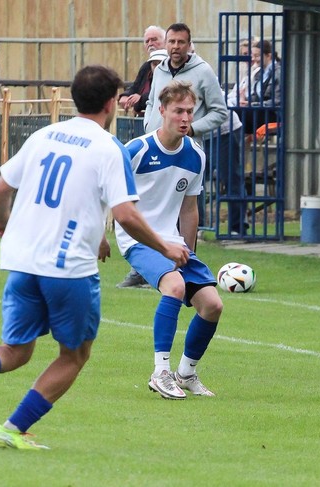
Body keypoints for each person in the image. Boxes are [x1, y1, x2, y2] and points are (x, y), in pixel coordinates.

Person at [0, 65, 189, 450]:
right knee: (74, 354)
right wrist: (165, 246)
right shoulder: (109, 148)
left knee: (16, 350)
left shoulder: (43, 135)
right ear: (110, 104)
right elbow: (126, 214)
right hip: (68, 269)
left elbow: (1, 190)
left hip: (23, 261)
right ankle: (12, 428)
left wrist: (3, 224)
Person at [116, 81, 224, 399]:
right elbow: (106, 192)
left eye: (190, 111)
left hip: (173, 240)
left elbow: (189, 209)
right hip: (137, 238)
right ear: (161, 111)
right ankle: (160, 372)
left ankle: (186, 373)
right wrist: (100, 236)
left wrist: (188, 251)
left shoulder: (196, 156)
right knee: (174, 288)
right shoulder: (137, 150)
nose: (185, 117)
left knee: (212, 305)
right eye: (178, 111)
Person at [145, 22, 247, 236]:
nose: (176, 46)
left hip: (194, 143)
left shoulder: (203, 71)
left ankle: (232, 229)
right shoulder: (160, 70)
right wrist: (149, 125)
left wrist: (192, 129)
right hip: (160, 144)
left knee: (199, 189)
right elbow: (151, 103)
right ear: (166, 44)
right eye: (171, 41)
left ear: (189, 45)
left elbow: (220, 111)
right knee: (163, 194)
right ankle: (163, 240)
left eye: (181, 42)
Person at [118, 25, 166, 116]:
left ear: (165, 42)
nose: (150, 44)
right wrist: (125, 95)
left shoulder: (171, 65)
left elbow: (163, 91)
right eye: (147, 41)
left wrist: (140, 98)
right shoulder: (146, 66)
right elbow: (136, 86)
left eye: (154, 39)